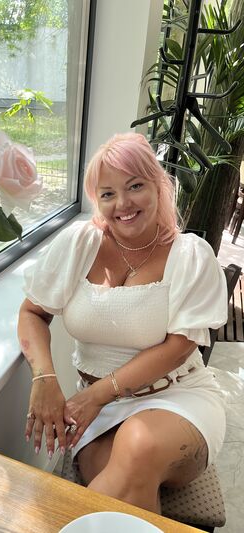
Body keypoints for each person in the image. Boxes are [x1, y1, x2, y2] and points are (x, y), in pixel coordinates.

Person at [17, 132, 227, 514]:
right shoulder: (78, 244)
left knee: (138, 444)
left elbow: (179, 349)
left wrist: (98, 395)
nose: (123, 204)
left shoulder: (190, 255)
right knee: (124, 497)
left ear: (159, 186)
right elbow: (32, 312)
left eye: (135, 186)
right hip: (98, 413)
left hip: (178, 396)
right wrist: (44, 377)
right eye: (108, 193)